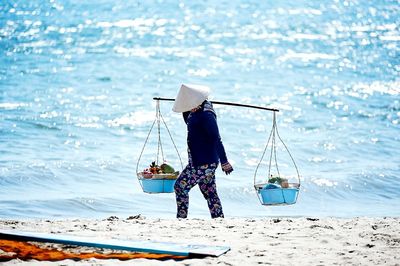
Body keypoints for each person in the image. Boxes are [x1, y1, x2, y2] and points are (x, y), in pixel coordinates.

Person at [172, 84, 233, 218]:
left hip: (204, 163)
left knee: (180, 187)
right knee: (209, 192)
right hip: (200, 161)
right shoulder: (193, 112)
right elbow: (187, 120)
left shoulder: (207, 115)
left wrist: (224, 161)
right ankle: (218, 218)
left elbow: (216, 138)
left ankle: (181, 218)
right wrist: (185, 107)